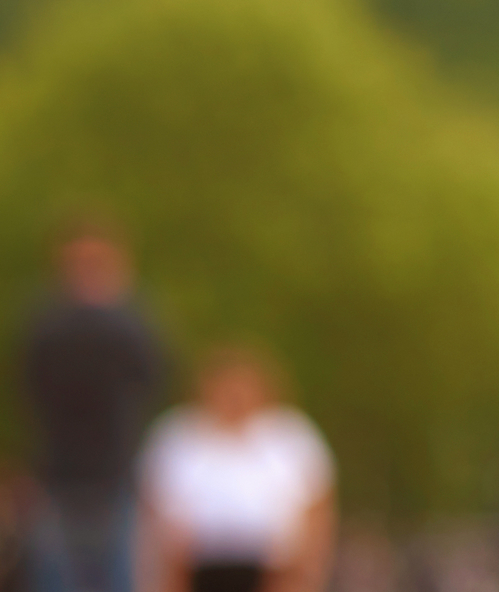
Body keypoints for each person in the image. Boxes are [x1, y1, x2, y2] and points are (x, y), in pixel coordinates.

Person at [15, 221, 161, 592]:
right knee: (56, 577)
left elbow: (153, 371)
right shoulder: (47, 323)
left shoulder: (131, 322)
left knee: (115, 577)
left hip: (116, 473)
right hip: (59, 474)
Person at [135, 349, 330, 592]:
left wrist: (308, 569)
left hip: (272, 568)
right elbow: (153, 504)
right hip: (195, 566)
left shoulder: (291, 437)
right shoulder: (177, 435)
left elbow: (318, 506)